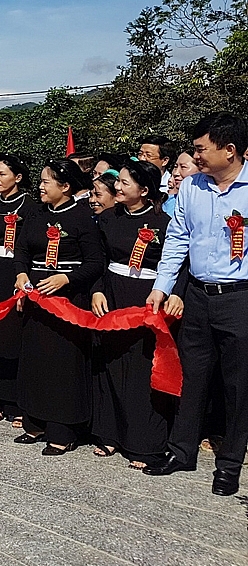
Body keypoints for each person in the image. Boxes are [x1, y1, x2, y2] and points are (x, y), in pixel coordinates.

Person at [144, 113, 248, 496]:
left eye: (202, 149)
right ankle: (181, 450)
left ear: (230, 149)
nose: (196, 156)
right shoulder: (191, 188)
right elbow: (177, 240)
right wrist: (162, 285)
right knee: (193, 376)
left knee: (238, 385)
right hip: (198, 296)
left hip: (240, 297)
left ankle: (230, 464)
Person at [90, 160, 183, 469]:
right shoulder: (108, 219)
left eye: (125, 183)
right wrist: (98, 290)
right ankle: (109, 433)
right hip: (113, 296)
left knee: (143, 370)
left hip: (148, 299)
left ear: (144, 190)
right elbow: (98, 260)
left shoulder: (165, 222)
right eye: (118, 182)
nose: (118, 187)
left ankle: (144, 443)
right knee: (111, 366)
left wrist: (174, 295)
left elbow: (179, 264)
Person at [13, 158, 104, 455]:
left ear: (65, 187)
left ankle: (63, 429)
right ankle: (35, 421)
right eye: (40, 181)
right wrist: (22, 273)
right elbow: (22, 250)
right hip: (37, 295)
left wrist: (65, 278)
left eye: (46, 182)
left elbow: (94, 263)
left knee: (62, 363)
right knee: (35, 360)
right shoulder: (36, 215)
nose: (40, 186)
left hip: (68, 297)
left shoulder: (81, 217)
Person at [0, 155, 34, 426]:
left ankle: (17, 401)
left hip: (17, 272)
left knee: (16, 337)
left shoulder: (30, 206)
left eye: (2, 174)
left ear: (18, 177)